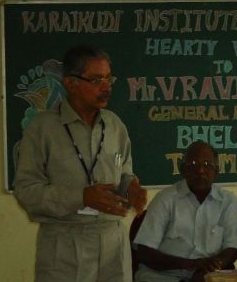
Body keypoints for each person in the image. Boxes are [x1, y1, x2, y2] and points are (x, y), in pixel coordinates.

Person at [14, 44, 147, 282]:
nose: (106, 87)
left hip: (112, 244)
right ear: (70, 83)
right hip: (64, 244)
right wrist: (82, 197)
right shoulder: (42, 128)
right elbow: (26, 191)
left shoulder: (115, 125)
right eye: (96, 79)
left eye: (109, 78)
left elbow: (124, 173)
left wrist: (132, 188)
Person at [133, 141, 237, 282]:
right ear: (183, 169)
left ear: (216, 171)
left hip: (208, 276)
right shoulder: (165, 199)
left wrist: (209, 269)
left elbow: (233, 248)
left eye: (207, 165)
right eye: (193, 165)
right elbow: (145, 252)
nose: (200, 170)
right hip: (164, 277)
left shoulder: (228, 201)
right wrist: (190, 265)